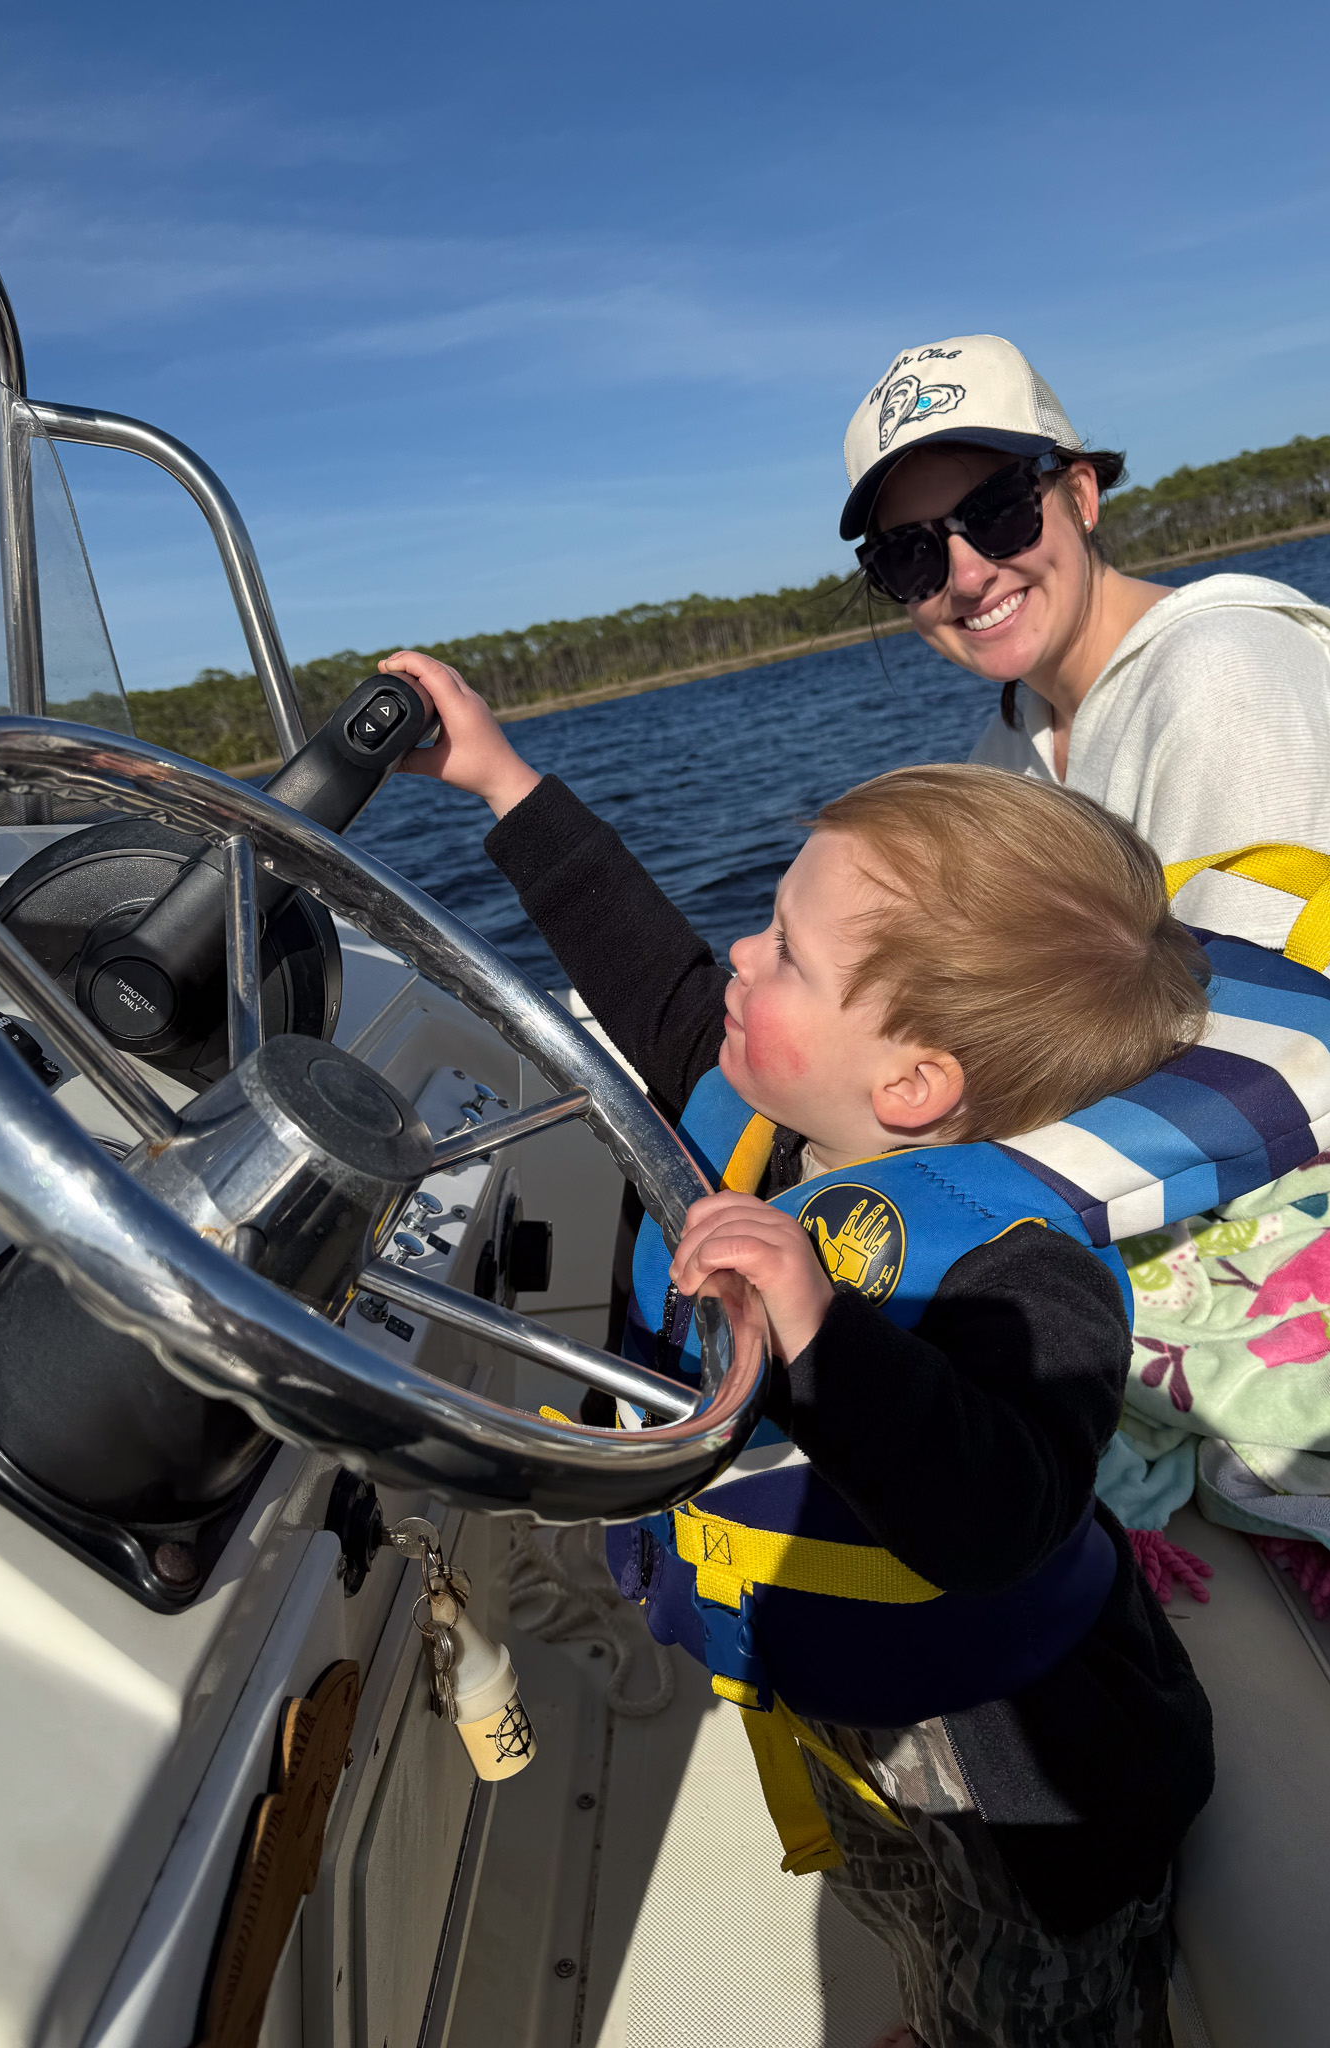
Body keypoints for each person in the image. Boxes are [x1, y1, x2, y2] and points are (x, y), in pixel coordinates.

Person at [379, 645, 1227, 2047]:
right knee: (904, 1901)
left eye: (786, 952)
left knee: (1030, 1990)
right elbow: (654, 978)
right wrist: (502, 781)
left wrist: (822, 1328)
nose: (739, 956)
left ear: (913, 1081)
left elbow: (1002, 1509)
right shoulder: (773, 1122)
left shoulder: (1027, 1278)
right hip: (849, 1712)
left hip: (1019, 1784)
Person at [842, 334, 1330, 1050]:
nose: (966, 577)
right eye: (912, 553)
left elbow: (1262, 1044)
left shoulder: (1227, 675)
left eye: (998, 513)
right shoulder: (1010, 746)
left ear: (1081, 496)